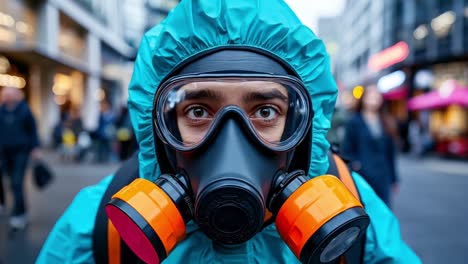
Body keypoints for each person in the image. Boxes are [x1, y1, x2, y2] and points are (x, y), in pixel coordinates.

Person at [37, 1, 420, 263]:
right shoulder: (101, 227)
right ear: (159, 127)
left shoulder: (351, 214)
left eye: (266, 111)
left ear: (302, 128)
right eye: (199, 110)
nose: (232, 142)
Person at [341, 85, 399, 207]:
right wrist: (356, 165)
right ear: (364, 99)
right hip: (363, 176)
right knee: (366, 210)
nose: (374, 99)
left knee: (383, 212)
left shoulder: (386, 121)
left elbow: (390, 153)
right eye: (370, 96)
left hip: (382, 175)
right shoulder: (354, 122)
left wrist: (394, 179)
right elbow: (347, 149)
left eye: (376, 96)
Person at [0, 86, 40, 229]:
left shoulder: (24, 110)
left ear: (17, 95)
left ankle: (20, 213)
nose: (6, 97)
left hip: (21, 152)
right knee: (5, 179)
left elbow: (33, 129)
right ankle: (3, 203)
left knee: (16, 182)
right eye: (4, 94)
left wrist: (35, 147)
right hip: (4, 152)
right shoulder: (1, 110)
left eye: (9, 94)